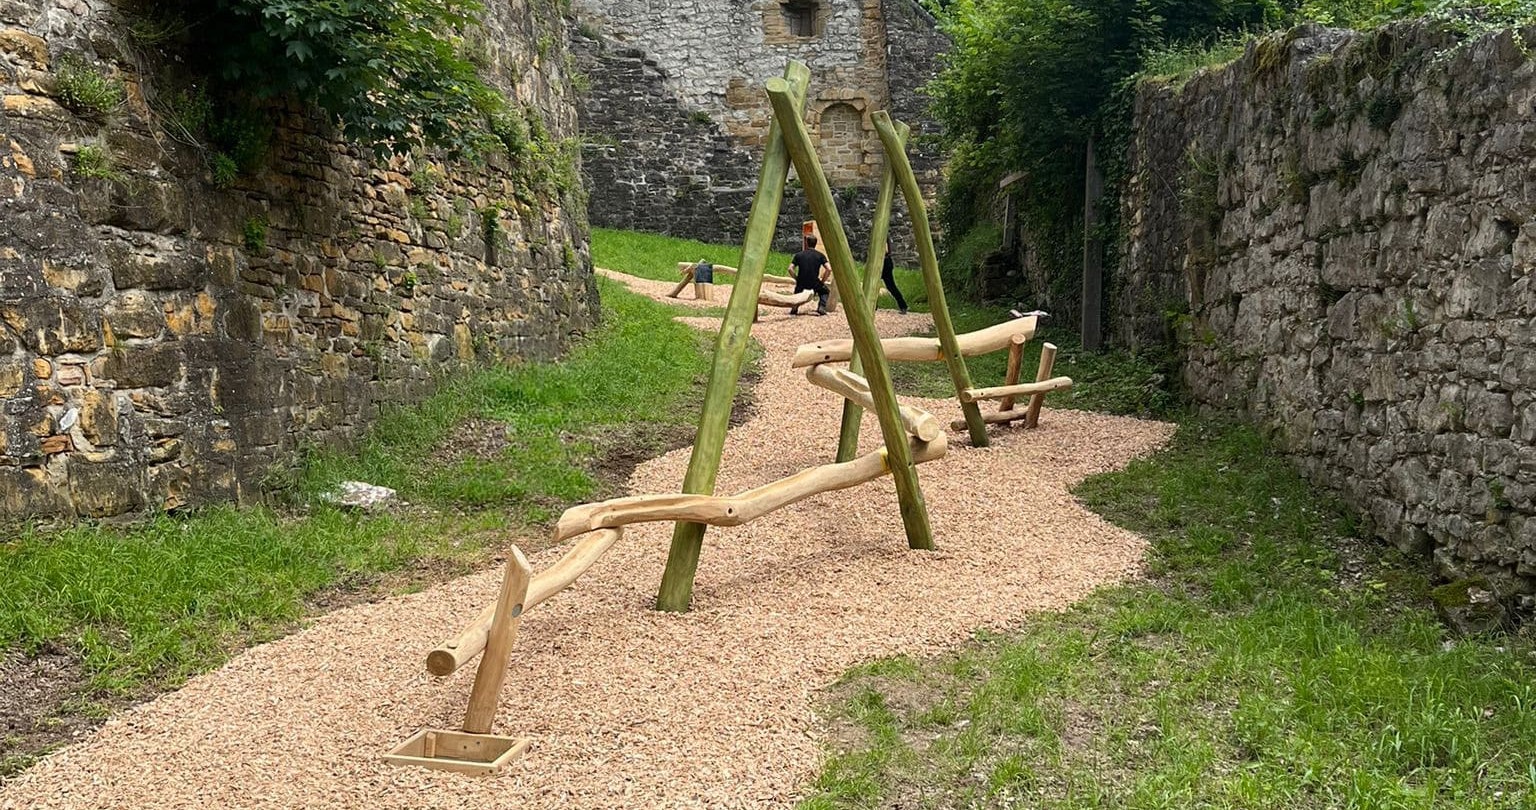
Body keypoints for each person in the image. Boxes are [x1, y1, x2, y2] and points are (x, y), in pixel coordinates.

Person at [788, 235, 830, 316]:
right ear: (815, 244)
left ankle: (794, 308)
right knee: (825, 291)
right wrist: (822, 281)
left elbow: (790, 269)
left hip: (801, 282)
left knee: (797, 292)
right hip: (814, 282)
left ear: (806, 243)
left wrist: (796, 278)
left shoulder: (799, 255)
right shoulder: (820, 255)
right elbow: (829, 269)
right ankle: (821, 307)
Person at [881, 242, 908, 314]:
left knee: (891, 286)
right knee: (873, 285)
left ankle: (903, 306)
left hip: (884, 263)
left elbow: (885, 251)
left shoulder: (883, 236)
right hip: (884, 262)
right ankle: (873, 306)